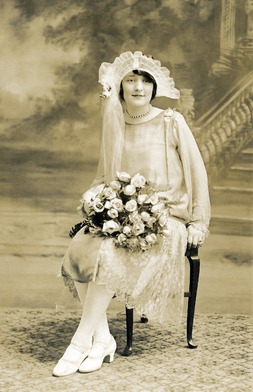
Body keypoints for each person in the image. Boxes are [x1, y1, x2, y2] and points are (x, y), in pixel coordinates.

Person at [52, 51, 210, 377]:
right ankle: (103, 338)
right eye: (130, 80)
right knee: (79, 249)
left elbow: (197, 171)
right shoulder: (115, 122)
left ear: (154, 87)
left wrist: (198, 221)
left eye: (145, 81)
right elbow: (106, 175)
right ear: (119, 86)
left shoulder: (171, 121)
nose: (138, 87)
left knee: (108, 254)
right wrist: (93, 198)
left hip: (166, 218)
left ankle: (81, 342)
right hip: (123, 210)